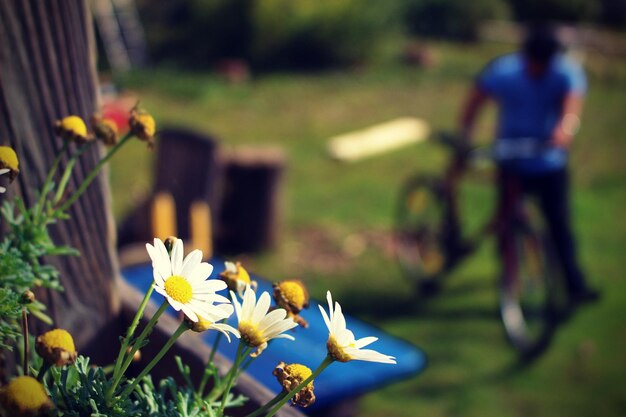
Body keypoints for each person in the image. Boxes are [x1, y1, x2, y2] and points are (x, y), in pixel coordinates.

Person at [457, 25, 599, 308]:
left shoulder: (564, 72)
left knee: (559, 225)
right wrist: (466, 135)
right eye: (535, 64)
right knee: (507, 224)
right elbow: (476, 99)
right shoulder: (505, 71)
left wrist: (564, 130)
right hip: (511, 161)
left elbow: (572, 106)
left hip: (548, 162)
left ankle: (574, 286)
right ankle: (509, 282)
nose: (539, 69)